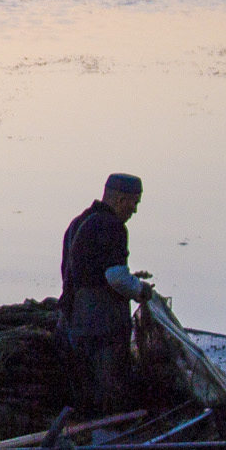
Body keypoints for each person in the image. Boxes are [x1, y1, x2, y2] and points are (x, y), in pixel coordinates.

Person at [57, 172, 149, 413]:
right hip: (101, 327)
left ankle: (86, 433)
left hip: (72, 321)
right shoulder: (113, 226)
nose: (135, 211)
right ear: (119, 199)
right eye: (134, 202)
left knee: (82, 387)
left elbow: (71, 270)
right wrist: (140, 290)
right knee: (109, 389)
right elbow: (116, 276)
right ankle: (110, 435)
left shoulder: (78, 222)